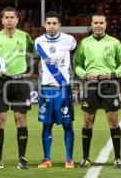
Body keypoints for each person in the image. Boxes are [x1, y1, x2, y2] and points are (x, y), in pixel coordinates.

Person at [0, 7, 34, 170]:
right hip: (0, 83)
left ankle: (22, 158)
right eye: (7, 17)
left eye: (13, 17)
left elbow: (31, 54)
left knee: (21, 120)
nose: (10, 20)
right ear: (2, 20)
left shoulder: (25, 37)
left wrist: (25, 69)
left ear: (18, 20)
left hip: (20, 83)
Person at [73, 14, 121, 169]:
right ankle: (85, 158)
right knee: (87, 121)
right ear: (91, 24)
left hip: (109, 85)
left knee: (113, 121)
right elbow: (76, 64)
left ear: (106, 24)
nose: (98, 25)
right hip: (91, 85)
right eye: (95, 23)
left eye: (101, 23)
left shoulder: (115, 43)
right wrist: (84, 74)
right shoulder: (84, 43)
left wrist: (113, 74)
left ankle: (117, 158)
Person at [35, 11, 76, 169]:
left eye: (54, 23)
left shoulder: (69, 40)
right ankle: (47, 159)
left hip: (63, 89)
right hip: (46, 89)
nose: (51, 26)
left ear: (59, 25)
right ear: (45, 25)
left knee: (68, 125)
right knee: (46, 125)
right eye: (49, 23)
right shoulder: (38, 41)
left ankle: (69, 159)